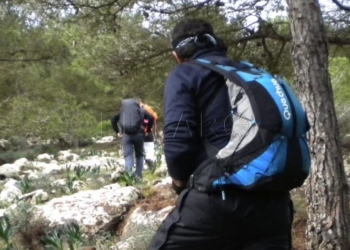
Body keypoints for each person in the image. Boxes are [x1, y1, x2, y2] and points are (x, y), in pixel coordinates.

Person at [149, 19, 293, 250]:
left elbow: (178, 140)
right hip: (274, 203)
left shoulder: (185, 73)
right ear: (217, 45)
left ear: (177, 55)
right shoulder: (250, 73)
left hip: (218, 198)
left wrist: (180, 183)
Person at [111, 98, 154, 179]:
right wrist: (147, 130)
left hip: (126, 135)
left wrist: (117, 131)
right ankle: (138, 178)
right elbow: (151, 118)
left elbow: (113, 120)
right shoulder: (141, 110)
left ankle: (129, 178)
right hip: (139, 135)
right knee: (139, 155)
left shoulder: (123, 112)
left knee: (128, 156)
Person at [140, 102, 158, 167]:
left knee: (140, 148)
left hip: (137, 132)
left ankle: (142, 163)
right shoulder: (146, 107)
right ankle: (149, 158)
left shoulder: (131, 109)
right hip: (147, 130)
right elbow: (154, 117)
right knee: (150, 146)